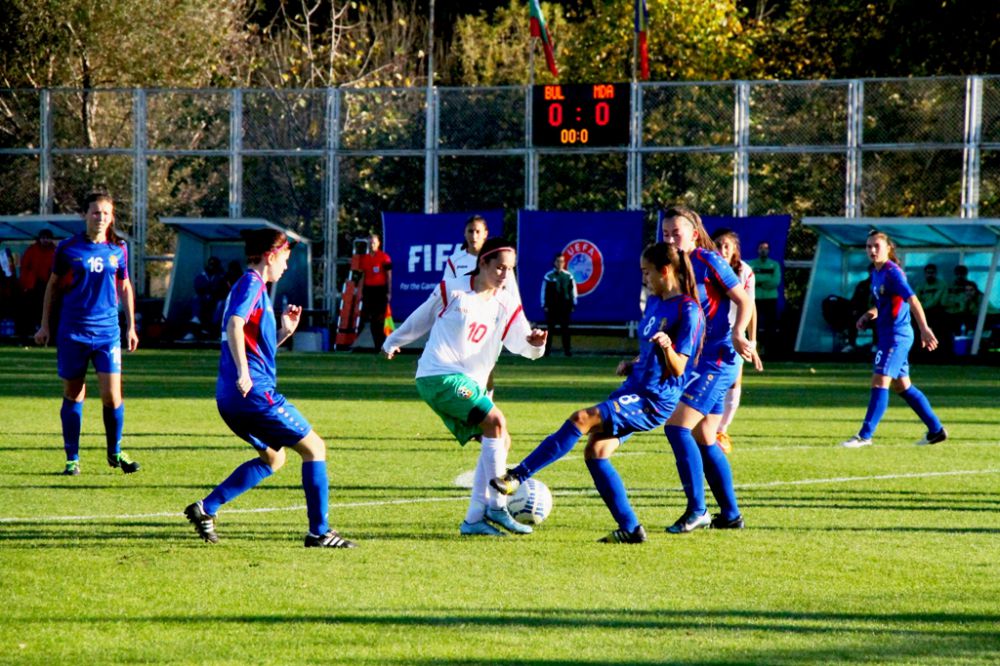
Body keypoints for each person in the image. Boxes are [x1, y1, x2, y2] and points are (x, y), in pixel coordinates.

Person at [491, 243, 705, 544]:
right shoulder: (656, 301)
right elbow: (650, 353)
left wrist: (667, 347)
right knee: (596, 452)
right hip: (635, 389)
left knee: (582, 418)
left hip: (654, 400)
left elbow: (680, 367)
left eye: (647, 272)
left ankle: (517, 475)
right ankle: (631, 529)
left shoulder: (689, 310)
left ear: (665, 271)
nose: (644, 279)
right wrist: (633, 364)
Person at [184, 228, 356, 548]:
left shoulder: (255, 288)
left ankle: (205, 509)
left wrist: (284, 333)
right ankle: (320, 532)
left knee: (274, 459)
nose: (286, 267)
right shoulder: (251, 283)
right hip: (252, 393)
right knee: (315, 449)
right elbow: (234, 323)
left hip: (232, 396)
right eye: (285, 259)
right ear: (270, 255)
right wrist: (244, 372)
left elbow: (255, 346)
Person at [382, 237, 547, 537]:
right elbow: (422, 316)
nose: (504, 275)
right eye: (498, 267)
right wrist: (393, 340)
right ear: (482, 263)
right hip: (438, 375)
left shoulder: (507, 302)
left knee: (499, 439)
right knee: (496, 421)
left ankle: (473, 519)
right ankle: (497, 505)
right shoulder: (454, 289)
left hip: (470, 384)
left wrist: (536, 345)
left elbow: (522, 343)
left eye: (509, 270)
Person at [660, 206, 756, 533]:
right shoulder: (669, 268)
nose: (671, 238)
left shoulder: (708, 261)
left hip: (717, 356)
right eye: (666, 233)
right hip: (695, 359)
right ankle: (730, 516)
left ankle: (697, 510)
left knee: (676, 427)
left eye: (677, 233)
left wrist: (738, 332)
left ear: (694, 234)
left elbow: (744, 301)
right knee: (704, 436)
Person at [34, 191, 140, 476]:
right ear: (85, 215)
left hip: (108, 332)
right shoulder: (68, 248)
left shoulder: (119, 249)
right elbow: (53, 286)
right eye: (95, 212)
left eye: (106, 213)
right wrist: (45, 324)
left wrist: (131, 325)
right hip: (73, 331)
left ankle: (115, 452)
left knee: (112, 397)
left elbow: (125, 286)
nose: (101, 218)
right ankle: (72, 459)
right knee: (74, 393)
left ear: (112, 217)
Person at [839, 231, 947, 448]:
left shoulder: (892, 273)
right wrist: (870, 313)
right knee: (902, 386)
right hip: (889, 335)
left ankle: (864, 435)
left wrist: (925, 329)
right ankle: (936, 430)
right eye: (868, 246)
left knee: (880, 380)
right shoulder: (876, 273)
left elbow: (913, 301)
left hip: (897, 337)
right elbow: (887, 304)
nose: (871, 250)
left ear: (888, 248)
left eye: (876, 246)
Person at [711, 229, 763, 454]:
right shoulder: (704, 266)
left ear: (735, 250)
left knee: (733, 381)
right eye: (718, 245)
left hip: (734, 334)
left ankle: (721, 430)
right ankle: (701, 426)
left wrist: (752, 342)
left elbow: (750, 306)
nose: (722, 250)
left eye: (726, 246)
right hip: (707, 334)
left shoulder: (744, 271)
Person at [356, 232, 392, 352]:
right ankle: (377, 346)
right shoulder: (365, 259)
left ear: (378, 244)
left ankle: (385, 344)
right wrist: (360, 292)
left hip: (380, 290)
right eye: (370, 243)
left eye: (374, 243)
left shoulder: (384, 257)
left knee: (380, 319)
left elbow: (389, 275)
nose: (372, 245)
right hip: (368, 290)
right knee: (370, 319)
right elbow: (362, 276)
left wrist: (389, 291)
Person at [18, 229, 57, 336]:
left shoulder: (55, 251)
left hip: (49, 286)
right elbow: (24, 268)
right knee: (30, 312)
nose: (45, 240)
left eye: (47, 238)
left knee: (49, 312)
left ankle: (49, 335)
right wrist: (25, 285)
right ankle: (28, 335)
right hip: (33, 287)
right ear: (39, 239)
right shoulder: (32, 250)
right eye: (43, 238)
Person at [541, 252, 577, 356]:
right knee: (550, 331)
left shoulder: (568, 276)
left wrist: (573, 304)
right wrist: (544, 305)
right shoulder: (548, 276)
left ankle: (567, 351)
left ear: (564, 263)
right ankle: (546, 352)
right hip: (552, 308)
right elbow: (543, 292)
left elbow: (573, 291)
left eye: (561, 261)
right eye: (557, 261)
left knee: (565, 330)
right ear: (554, 262)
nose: (559, 263)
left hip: (564, 308)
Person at [748, 241, 781, 354]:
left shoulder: (774, 264)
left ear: (769, 251)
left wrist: (760, 282)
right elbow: (751, 279)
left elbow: (775, 281)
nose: (763, 250)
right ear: (757, 250)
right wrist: (764, 280)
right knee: (753, 324)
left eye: (766, 248)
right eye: (761, 248)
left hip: (770, 298)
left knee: (770, 324)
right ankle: (754, 348)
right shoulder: (751, 264)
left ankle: (769, 350)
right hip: (755, 298)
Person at [443, 214, 488, 279]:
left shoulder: (494, 259)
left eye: (478, 232)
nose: (474, 236)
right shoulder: (454, 260)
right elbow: (446, 285)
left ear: (485, 234)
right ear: (464, 233)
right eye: (470, 231)